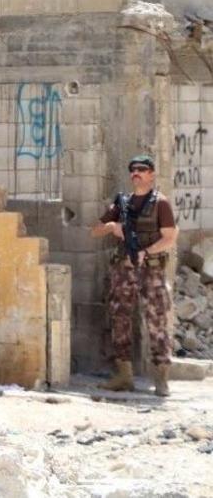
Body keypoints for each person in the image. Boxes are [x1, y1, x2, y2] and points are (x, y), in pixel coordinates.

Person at [90, 154, 178, 396]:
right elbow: (94, 231)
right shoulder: (122, 204)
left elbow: (169, 238)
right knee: (120, 318)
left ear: (151, 174)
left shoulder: (161, 203)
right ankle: (124, 375)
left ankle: (161, 378)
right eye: (133, 169)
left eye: (142, 169)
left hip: (152, 270)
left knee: (158, 320)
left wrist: (146, 252)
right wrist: (111, 227)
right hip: (124, 270)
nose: (136, 172)